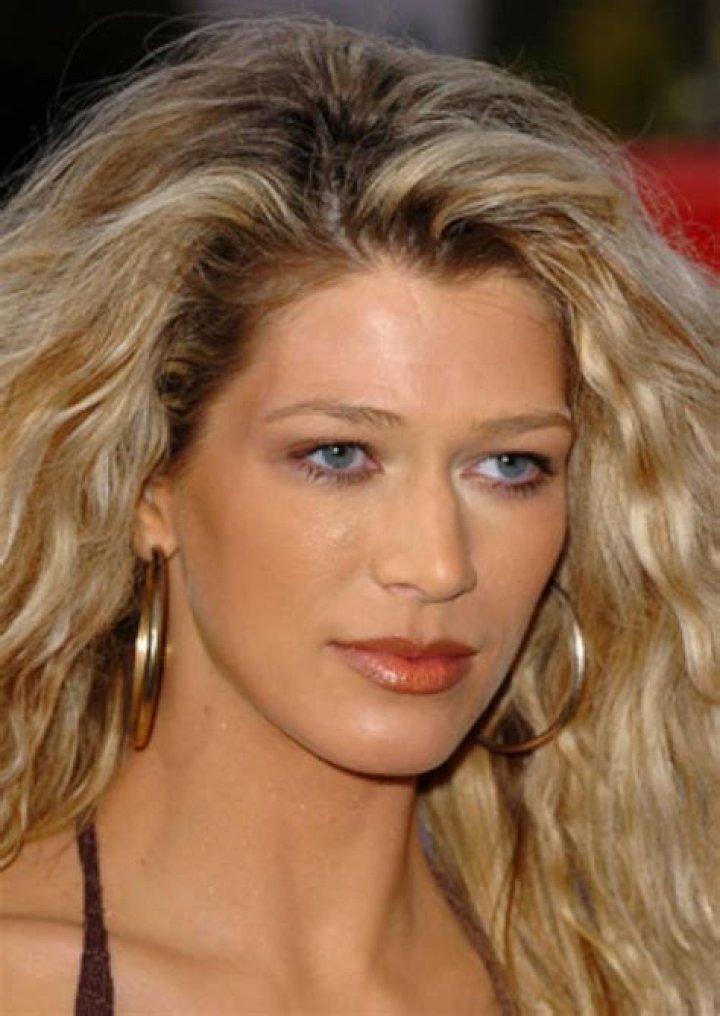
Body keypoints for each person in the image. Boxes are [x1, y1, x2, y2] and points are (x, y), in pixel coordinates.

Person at [0, 17, 717, 1015]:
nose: (438, 564)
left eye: (509, 465)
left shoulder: (641, 979)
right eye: (338, 455)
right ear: (148, 484)